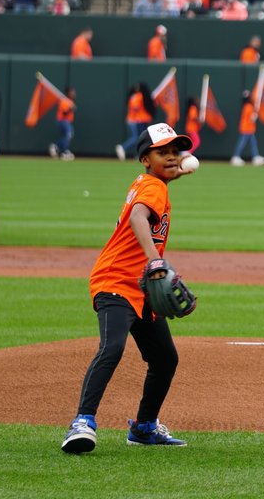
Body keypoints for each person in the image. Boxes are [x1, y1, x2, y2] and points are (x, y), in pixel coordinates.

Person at [61, 122, 194, 455]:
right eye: (162, 152)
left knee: (165, 358)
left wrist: (172, 172)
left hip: (140, 286)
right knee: (113, 347)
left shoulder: (152, 182)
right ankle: (82, 422)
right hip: (116, 279)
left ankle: (145, 427)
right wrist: (155, 261)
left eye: (175, 151)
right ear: (145, 159)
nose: (171, 156)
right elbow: (137, 216)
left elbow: (151, 193)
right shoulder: (152, 187)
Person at [116, 84, 153, 160]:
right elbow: (135, 107)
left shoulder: (138, 96)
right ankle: (123, 147)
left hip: (137, 120)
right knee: (138, 138)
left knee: (141, 138)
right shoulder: (138, 96)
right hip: (136, 120)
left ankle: (139, 155)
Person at [230, 90, 264, 166]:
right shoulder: (248, 107)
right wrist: (255, 115)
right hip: (246, 129)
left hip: (249, 129)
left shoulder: (247, 107)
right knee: (242, 143)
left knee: (253, 143)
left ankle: (255, 156)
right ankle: (236, 157)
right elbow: (252, 118)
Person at [48, 86, 76, 161]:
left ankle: (59, 148)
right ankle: (61, 149)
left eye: (74, 92)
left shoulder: (70, 101)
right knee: (68, 135)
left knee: (67, 136)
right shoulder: (64, 101)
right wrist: (71, 109)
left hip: (67, 122)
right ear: (67, 93)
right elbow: (64, 113)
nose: (73, 93)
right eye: (71, 92)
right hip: (63, 121)